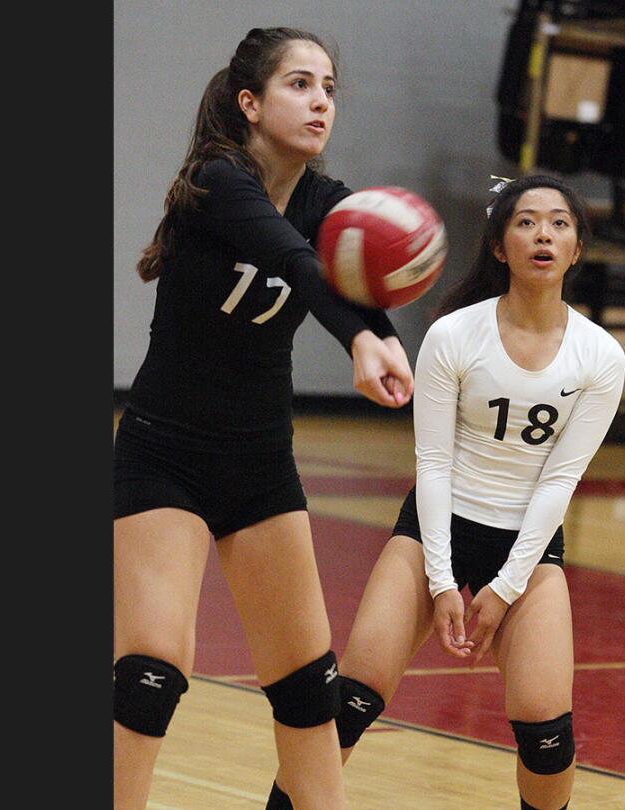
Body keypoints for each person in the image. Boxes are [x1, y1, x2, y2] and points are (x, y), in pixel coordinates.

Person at [113, 27, 414, 810]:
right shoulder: (220, 179)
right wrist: (358, 339)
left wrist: (383, 334)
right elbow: (293, 260)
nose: (320, 102)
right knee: (151, 674)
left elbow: (350, 282)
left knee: (309, 689)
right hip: (163, 454)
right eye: (299, 84)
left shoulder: (330, 203)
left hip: (258, 464)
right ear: (250, 102)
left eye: (329, 89)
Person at [271, 174, 625, 810]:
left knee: (547, 736)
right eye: (525, 221)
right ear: (498, 245)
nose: (542, 233)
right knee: (347, 705)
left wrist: (506, 587)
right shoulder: (455, 334)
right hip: (437, 525)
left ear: (577, 249)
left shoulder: (600, 354)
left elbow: (560, 480)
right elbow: (431, 463)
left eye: (559, 223)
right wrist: (441, 581)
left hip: (528, 544)